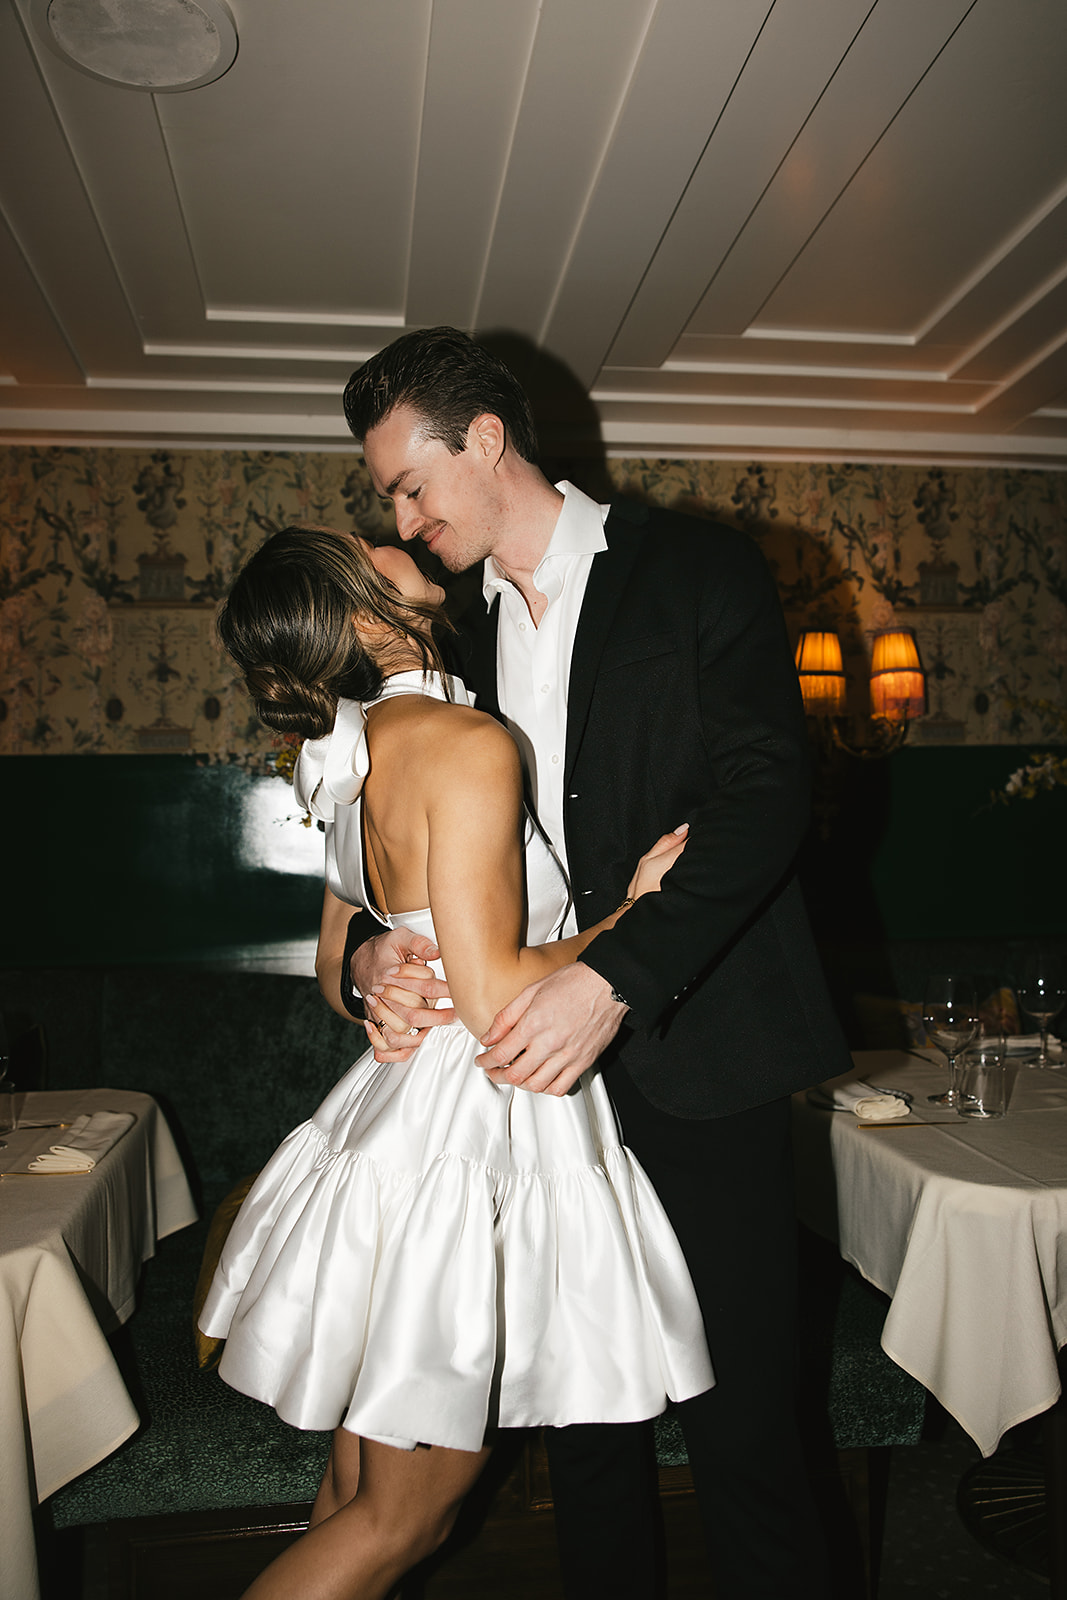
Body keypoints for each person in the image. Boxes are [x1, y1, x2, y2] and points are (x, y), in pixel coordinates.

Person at [340, 327, 853, 1600]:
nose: (400, 519)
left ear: (490, 442)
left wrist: (615, 974)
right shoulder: (438, 626)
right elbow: (371, 840)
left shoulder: (692, 568)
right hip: (525, 1084)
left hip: (705, 1050)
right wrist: (363, 955)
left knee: (745, 1428)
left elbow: (765, 795)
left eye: (410, 484)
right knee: (585, 1433)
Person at [198, 525, 714, 1600]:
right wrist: (636, 911)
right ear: (356, 612)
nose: (387, 531)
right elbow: (493, 995)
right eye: (363, 544)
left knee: (354, 1493)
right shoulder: (464, 742)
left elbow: (333, 958)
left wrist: (378, 958)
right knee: (401, 1520)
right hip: (470, 1127)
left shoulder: (347, 752)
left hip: (400, 1110)